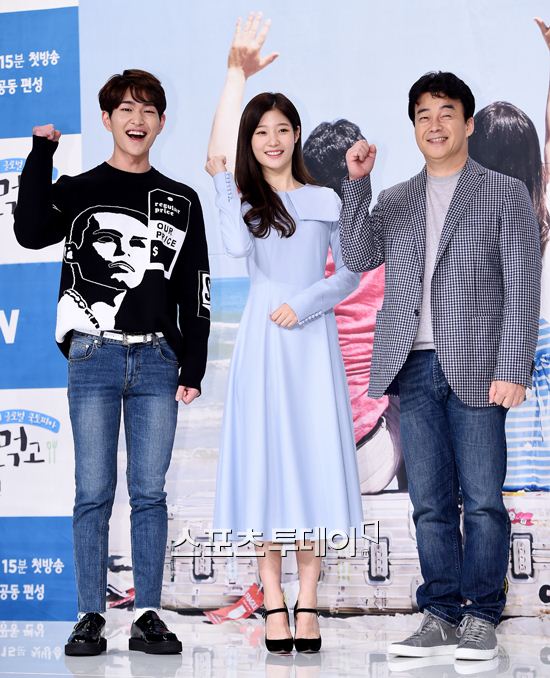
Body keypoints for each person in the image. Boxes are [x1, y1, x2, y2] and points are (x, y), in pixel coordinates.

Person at [339, 71, 541, 661]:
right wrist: (357, 186)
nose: (435, 124)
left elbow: (522, 287)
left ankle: (482, 614)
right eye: (423, 115)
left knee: (482, 500)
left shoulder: (503, 193)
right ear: (413, 127)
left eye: (446, 112)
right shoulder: (396, 198)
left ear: (468, 124)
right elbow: (357, 255)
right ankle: (441, 613)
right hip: (413, 367)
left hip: (478, 368)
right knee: (428, 503)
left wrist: (514, 369)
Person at [14, 69, 210, 656]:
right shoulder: (79, 189)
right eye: (125, 108)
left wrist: (193, 365)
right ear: (107, 119)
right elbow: (28, 231)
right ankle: (89, 615)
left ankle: (148, 613)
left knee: (150, 492)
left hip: (158, 360)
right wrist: (40, 155)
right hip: (93, 355)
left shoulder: (181, 199)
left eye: (148, 110)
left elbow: (196, 286)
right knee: (93, 491)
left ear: (162, 122)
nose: (136, 119)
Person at [206, 13, 362, 656]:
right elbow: (232, 234)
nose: (272, 140)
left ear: (296, 134)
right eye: (260, 131)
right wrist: (234, 76)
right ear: (251, 140)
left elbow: (349, 274)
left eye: (281, 129)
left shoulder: (325, 199)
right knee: (268, 466)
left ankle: (310, 599)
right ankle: (272, 599)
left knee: (312, 464)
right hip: (263, 346)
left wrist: (306, 304)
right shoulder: (243, 202)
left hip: (310, 340)